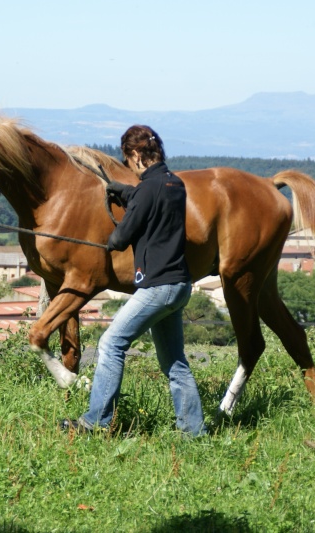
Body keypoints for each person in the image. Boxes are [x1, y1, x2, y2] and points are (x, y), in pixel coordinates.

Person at [60, 125, 206, 437]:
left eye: (129, 160)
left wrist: (109, 241)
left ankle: (96, 422)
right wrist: (124, 191)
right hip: (180, 285)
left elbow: (122, 235)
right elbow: (148, 198)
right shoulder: (175, 184)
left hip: (157, 287)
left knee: (111, 343)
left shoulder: (146, 190)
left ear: (137, 155)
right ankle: (194, 432)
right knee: (175, 363)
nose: (130, 166)